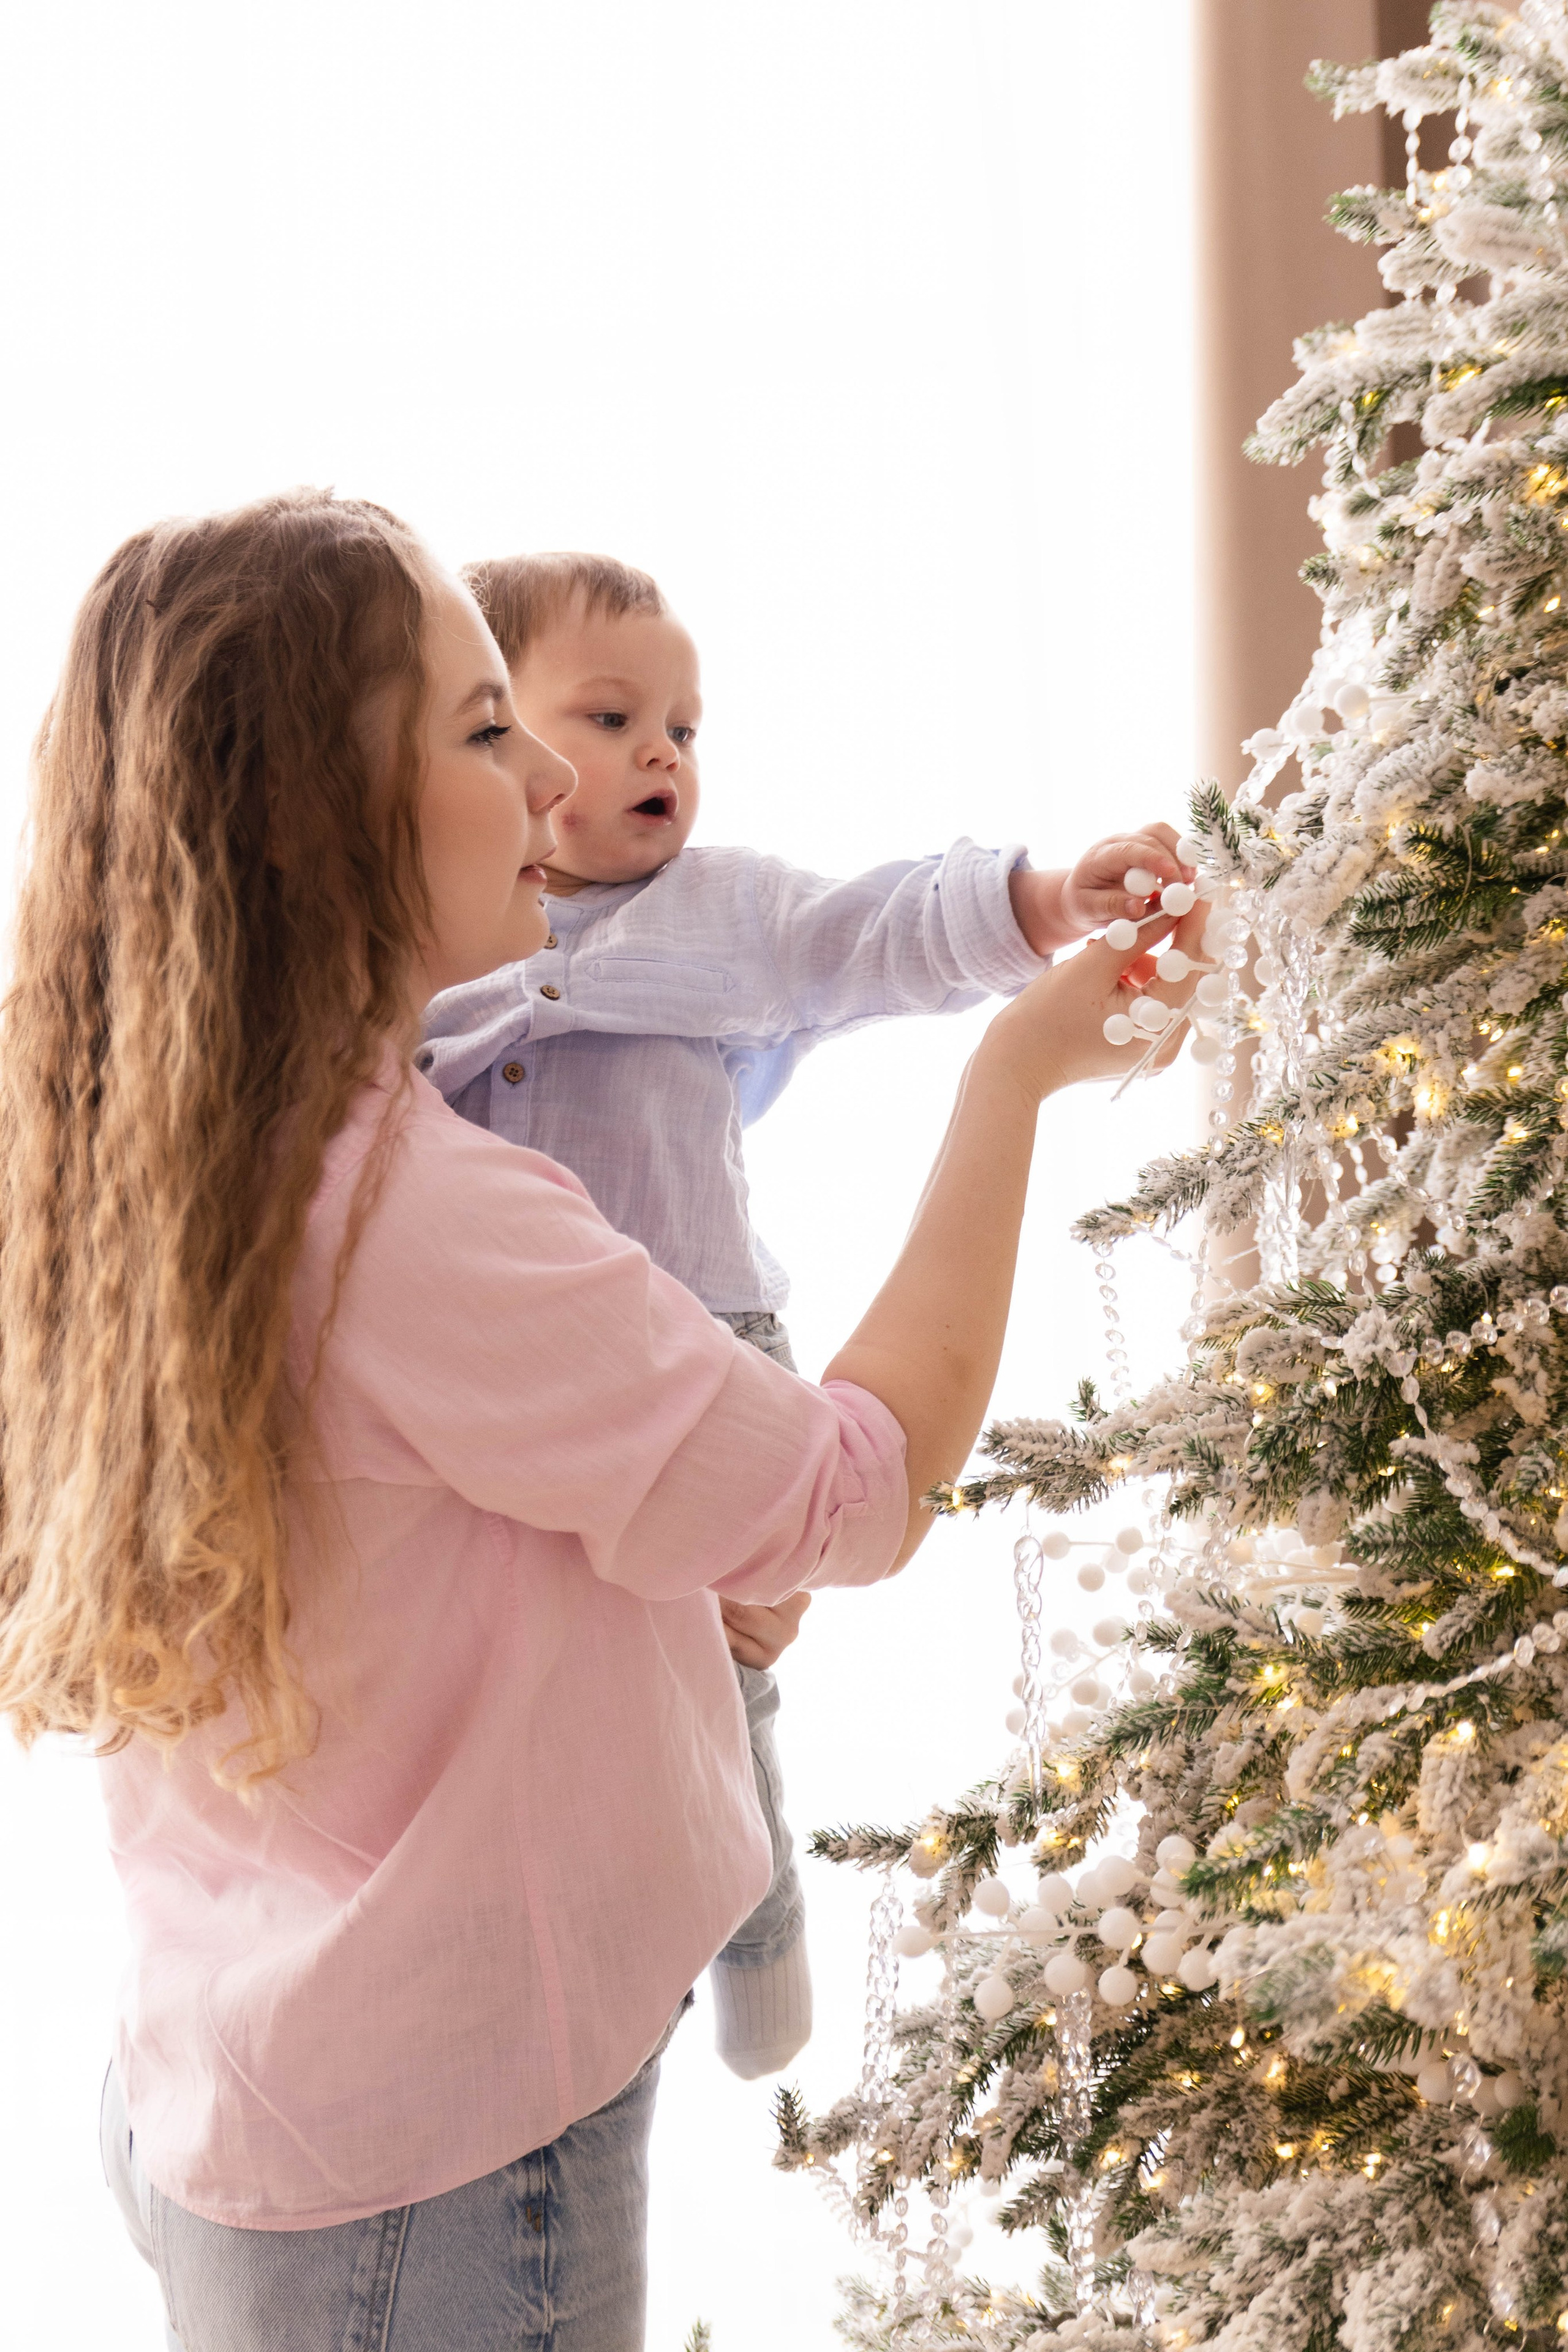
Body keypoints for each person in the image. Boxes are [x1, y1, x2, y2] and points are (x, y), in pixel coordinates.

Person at [0, 491, 1199, 2352]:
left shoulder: (134, 1156)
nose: (561, 793)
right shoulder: (416, 1211)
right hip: (442, 2163)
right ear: (327, 819)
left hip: (233, 2079)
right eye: (492, 732)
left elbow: (381, 1544)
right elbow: (852, 1490)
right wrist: (1016, 1077)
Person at [426, 548, 1193, 2082]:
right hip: (503, 1381)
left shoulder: (722, 914)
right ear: (494, 742)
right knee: (555, 1664)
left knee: (727, 1672)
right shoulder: (430, 955)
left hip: (703, 1341)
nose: (663, 752)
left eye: (685, 729)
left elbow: (879, 928)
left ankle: (759, 1934)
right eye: (615, 714)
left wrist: (1044, 898)